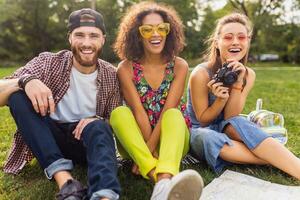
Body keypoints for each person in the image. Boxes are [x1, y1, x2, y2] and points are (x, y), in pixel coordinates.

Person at [0, 8, 121, 200]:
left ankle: (104, 194)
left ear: (103, 39)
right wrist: (25, 81)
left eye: (93, 36)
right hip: (47, 137)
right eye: (79, 35)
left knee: (99, 126)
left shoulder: (111, 74)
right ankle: (67, 183)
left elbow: (116, 121)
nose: (87, 43)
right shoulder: (49, 61)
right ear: (70, 38)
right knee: (17, 96)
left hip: (86, 142)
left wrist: (98, 120)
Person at [187, 13, 300, 180]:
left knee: (238, 122)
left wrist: (238, 82)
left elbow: (231, 116)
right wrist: (220, 100)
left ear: (248, 42)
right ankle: (275, 158)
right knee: (208, 138)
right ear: (217, 43)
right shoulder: (201, 74)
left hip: (228, 126)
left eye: (241, 37)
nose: (235, 42)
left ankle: (293, 166)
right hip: (200, 130)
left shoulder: (249, 75)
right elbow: (203, 121)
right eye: (228, 37)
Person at [110, 2, 203, 200]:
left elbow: (169, 108)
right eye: (147, 29)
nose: (156, 34)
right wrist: (147, 150)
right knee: (119, 113)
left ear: (169, 32)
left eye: (162, 28)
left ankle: (158, 176)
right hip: (135, 143)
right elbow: (138, 112)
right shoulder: (125, 68)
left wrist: (147, 152)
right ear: (137, 33)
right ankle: (161, 181)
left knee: (173, 113)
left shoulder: (179, 66)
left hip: (173, 141)